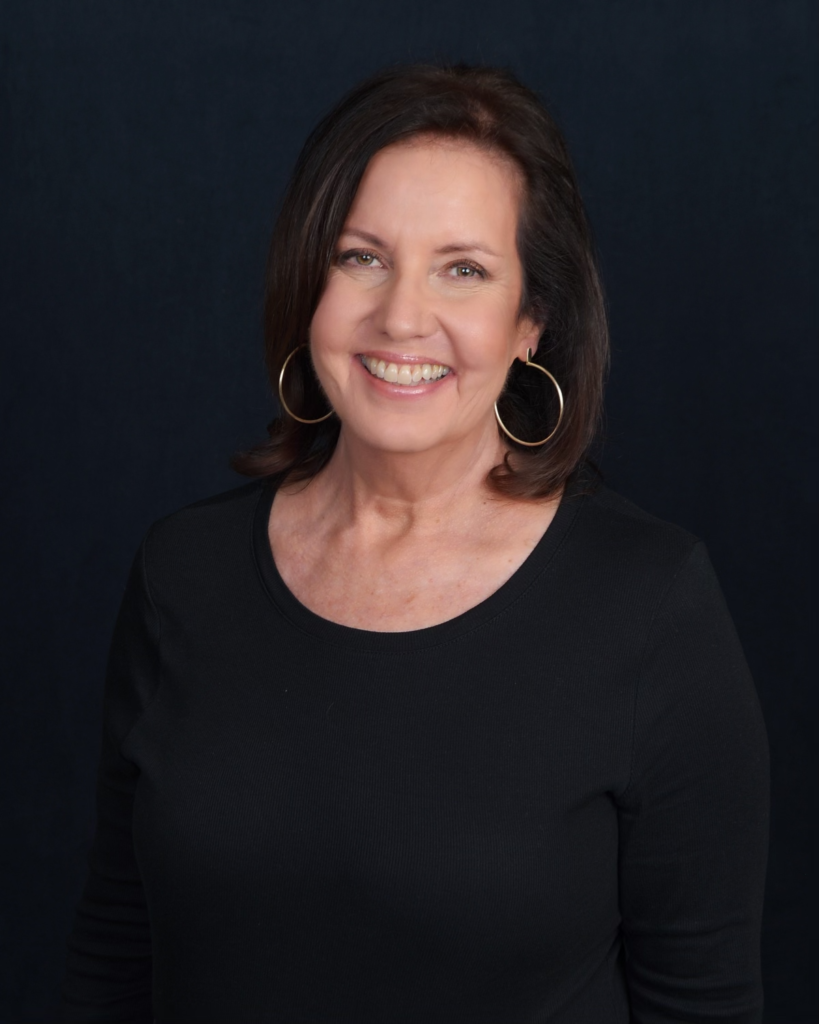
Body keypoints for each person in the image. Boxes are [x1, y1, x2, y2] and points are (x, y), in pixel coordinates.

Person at [61, 64, 769, 1023]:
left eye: (463, 269)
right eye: (362, 257)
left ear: (531, 323)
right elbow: (116, 953)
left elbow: (704, 1004)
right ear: (308, 279)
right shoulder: (181, 573)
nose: (400, 316)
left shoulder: (649, 602)